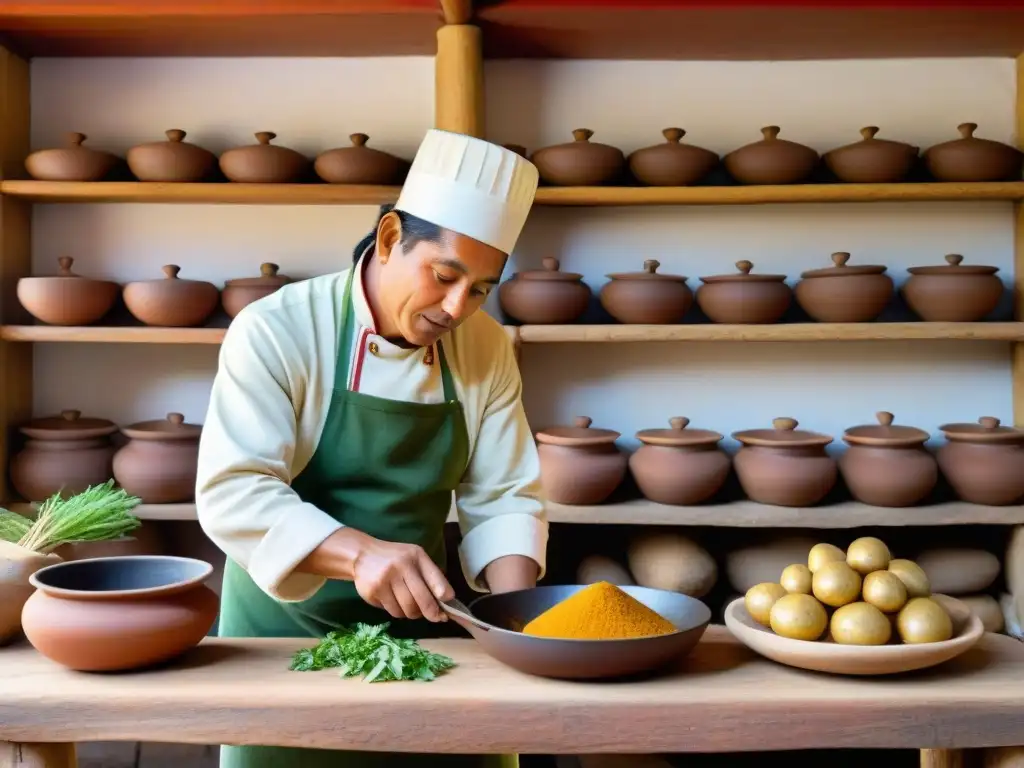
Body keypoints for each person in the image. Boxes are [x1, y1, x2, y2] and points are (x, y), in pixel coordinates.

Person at [195, 129, 547, 768]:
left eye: (481, 289)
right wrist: (360, 555)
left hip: (425, 631)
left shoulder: (486, 346)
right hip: (284, 641)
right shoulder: (279, 329)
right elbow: (233, 490)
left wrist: (516, 625)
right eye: (444, 276)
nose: (456, 306)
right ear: (389, 239)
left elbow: (502, 495)